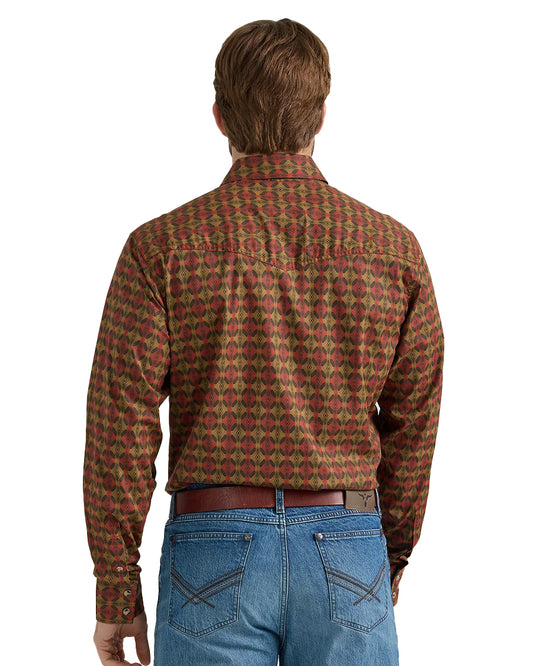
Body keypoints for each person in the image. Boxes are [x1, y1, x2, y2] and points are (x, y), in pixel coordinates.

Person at [84, 17, 444, 666]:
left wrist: (115, 588)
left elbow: (120, 425)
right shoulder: (392, 251)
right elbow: (413, 422)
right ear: (321, 116)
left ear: (219, 117)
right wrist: (384, 555)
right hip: (348, 543)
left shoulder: (160, 248)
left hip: (210, 548)